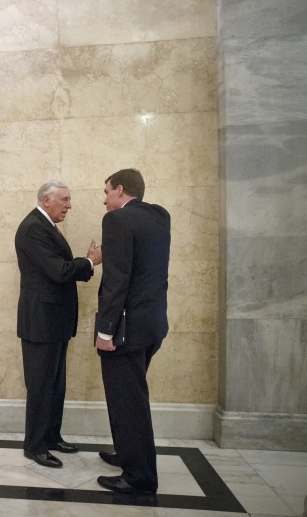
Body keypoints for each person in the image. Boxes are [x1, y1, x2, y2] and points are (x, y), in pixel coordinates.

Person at [15, 181, 102, 468]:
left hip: (54, 323)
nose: (69, 205)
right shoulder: (33, 228)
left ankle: (51, 436)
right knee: (41, 386)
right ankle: (35, 445)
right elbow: (58, 271)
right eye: (64, 200)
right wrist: (89, 262)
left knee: (56, 385)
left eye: (68, 199)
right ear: (46, 199)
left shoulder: (45, 225)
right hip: (41, 323)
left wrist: (86, 263)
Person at [94, 168, 170, 494]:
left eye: (107, 191)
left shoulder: (117, 221)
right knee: (132, 398)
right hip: (152, 326)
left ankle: (139, 477)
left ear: (121, 190)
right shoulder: (159, 216)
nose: (105, 198)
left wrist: (105, 332)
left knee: (128, 403)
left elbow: (116, 281)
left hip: (125, 331)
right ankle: (128, 453)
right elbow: (141, 268)